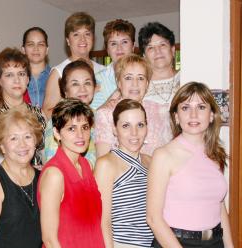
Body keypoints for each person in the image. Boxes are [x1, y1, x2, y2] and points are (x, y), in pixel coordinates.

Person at [147, 82, 233, 248]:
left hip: (215, 241)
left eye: (201, 107)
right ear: (177, 117)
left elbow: (219, 205)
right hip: (175, 242)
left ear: (211, 116)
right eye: (185, 108)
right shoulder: (164, 155)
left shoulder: (216, 154)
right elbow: (153, 218)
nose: (193, 114)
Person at [38, 99, 104, 248]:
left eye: (85, 127)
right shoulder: (54, 174)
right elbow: (49, 240)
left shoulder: (85, 165)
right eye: (71, 129)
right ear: (56, 133)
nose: (80, 135)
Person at [0, 106, 43, 248]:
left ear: (35, 141)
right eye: (13, 138)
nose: (22, 145)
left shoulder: (42, 177)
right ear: (2, 146)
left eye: (27, 136)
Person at [95, 99, 154, 248]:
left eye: (140, 125)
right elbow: (103, 220)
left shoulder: (150, 161)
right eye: (126, 126)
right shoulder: (106, 164)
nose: (134, 133)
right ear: (115, 129)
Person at [95, 54, 172, 157]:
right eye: (128, 78)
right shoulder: (106, 114)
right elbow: (103, 158)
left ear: (147, 84)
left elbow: (169, 153)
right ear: (119, 83)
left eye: (140, 78)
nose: (135, 84)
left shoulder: (161, 111)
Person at [42, 12, 105, 118]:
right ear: (68, 40)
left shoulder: (104, 71)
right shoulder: (58, 72)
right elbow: (47, 113)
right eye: (76, 34)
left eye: (87, 34)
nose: (82, 39)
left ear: (93, 38)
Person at [0, 47, 46, 167]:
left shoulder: (39, 113)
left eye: (21, 74)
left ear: (28, 79)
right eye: (9, 75)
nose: (17, 80)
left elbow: (46, 154)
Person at [43, 60, 98, 166]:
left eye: (87, 83)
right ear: (65, 91)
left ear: (94, 87)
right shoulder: (59, 118)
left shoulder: (97, 115)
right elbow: (53, 163)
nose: (83, 89)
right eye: (75, 84)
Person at [90, 19, 135, 110]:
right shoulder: (97, 80)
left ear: (133, 46)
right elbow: (90, 118)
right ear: (107, 50)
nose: (119, 48)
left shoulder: (146, 76)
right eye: (113, 43)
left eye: (124, 42)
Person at [138, 22, 180, 111]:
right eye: (151, 48)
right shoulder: (138, 85)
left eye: (162, 45)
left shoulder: (187, 78)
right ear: (144, 56)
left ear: (172, 50)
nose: (158, 51)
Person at [21, 27, 51, 108]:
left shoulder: (57, 76)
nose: (36, 48)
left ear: (47, 50)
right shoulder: (15, 78)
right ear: (23, 50)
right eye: (31, 44)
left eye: (41, 44)